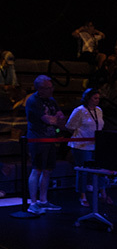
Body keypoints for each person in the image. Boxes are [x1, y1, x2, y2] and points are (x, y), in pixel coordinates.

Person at [25, 75, 65, 214]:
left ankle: (44, 200)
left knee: (48, 170)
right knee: (37, 169)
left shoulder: (52, 101)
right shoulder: (33, 101)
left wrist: (56, 120)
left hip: (50, 138)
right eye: (48, 88)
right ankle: (33, 202)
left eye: (51, 87)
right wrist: (55, 120)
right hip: (37, 139)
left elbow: (61, 119)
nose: (51, 90)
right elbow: (49, 120)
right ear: (39, 89)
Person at [66, 88, 109, 207]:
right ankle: (82, 195)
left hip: (96, 145)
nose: (97, 101)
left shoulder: (99, 110)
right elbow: (69, 126)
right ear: (88, 98)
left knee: (100, 169)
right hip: (82, 145)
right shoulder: (79, 111)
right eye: (95, 98)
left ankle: (103, 192)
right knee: (83, 172)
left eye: (98, 98)